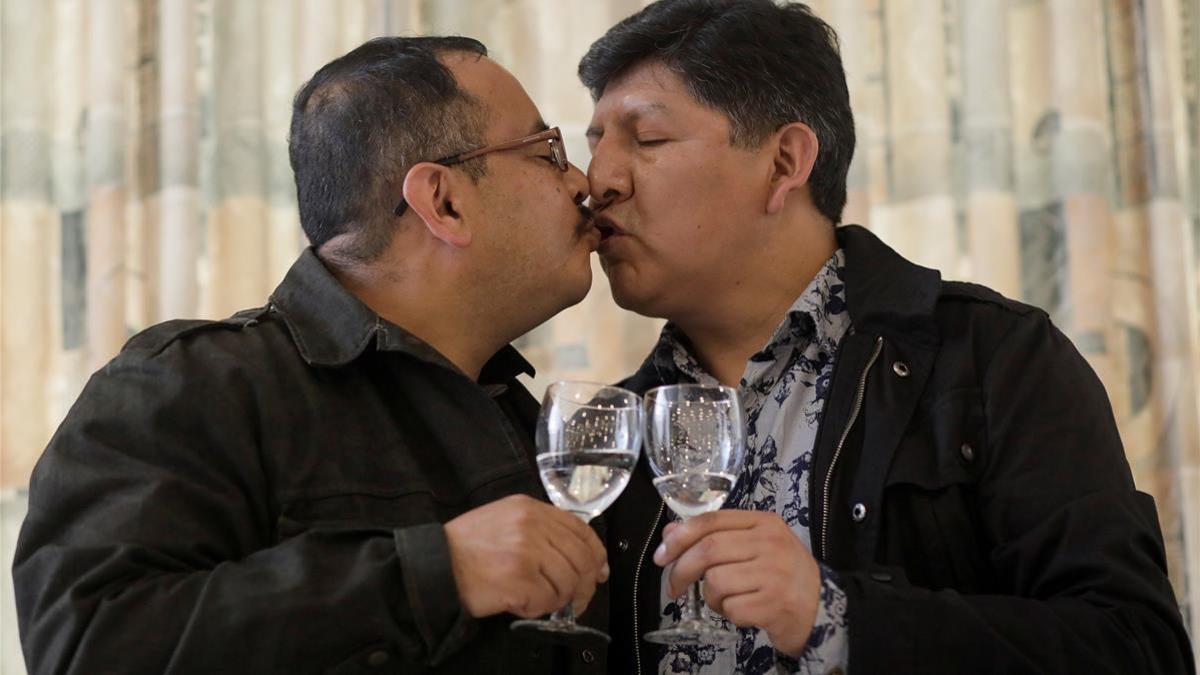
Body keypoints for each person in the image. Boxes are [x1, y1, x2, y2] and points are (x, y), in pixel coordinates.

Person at [578, 1, 1194, 673]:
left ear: (784, 162)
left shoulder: (993, 360)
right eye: (594, 143)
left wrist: (840, 617)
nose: (598, 181)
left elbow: (1139, 649)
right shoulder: (610, 432)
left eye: (647, 139)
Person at [14, 36, 613, 674]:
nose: (583, 182)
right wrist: (432, 574)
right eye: (547, 152)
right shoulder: (193, 384)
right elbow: (88, 647)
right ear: (444, 200)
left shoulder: (528, 416)